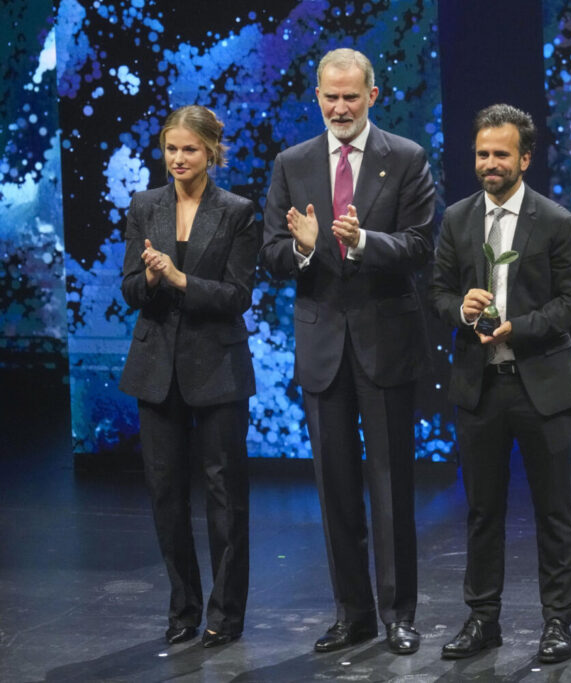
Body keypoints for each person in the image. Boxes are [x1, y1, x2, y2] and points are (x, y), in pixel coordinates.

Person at [261, 48, 435, 655]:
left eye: (351, 97)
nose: (340, 106)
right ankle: (352, 614)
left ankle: (398, 615)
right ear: (317, 97)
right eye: (330, 97)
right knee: (334, 489)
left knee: (391, 489)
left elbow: (418, 245)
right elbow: (271, 253)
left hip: (385, 342)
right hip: (322, 346)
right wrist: (305, 250)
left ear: (372, 96)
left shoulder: (406, 158)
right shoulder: (292, 163)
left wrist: (364, 241)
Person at [431, 104, 571, 664]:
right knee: (482, 510)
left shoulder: (556, 220)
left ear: (525, 157)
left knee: (553, 510)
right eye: (482, 153)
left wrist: (516, 328)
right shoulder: (455, 219)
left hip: (540, 384)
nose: (490, 163)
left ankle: (557, 622)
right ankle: (482, 618)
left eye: (501, 154)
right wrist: (461, 310)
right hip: (480, 386)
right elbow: (438, 294)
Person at [119, 105, 259, 648]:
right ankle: (183, 608)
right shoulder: (144, 205)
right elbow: (130, 287)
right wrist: (153, 282)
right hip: (156, 369)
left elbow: (238, 296)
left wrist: (180, 279)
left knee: (225, 495)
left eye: (190, 150)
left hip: (217, 365)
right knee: (166, 494)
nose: (179, 159)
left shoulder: (237, 211)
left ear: (212, 152)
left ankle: (226, 612)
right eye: (172, 149)